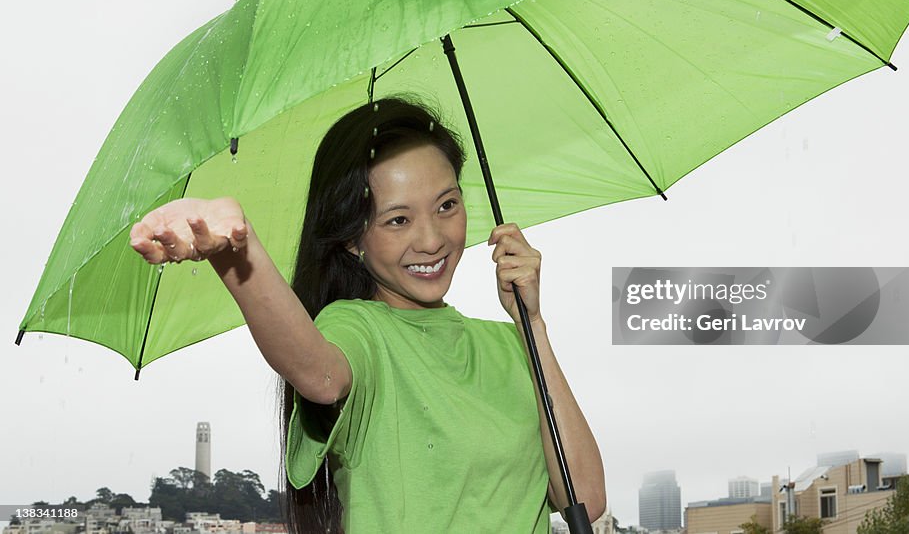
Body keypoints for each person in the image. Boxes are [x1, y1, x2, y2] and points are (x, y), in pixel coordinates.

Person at [128, 97, 605, 533]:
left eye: (447, 205)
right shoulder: (359, 328)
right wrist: (237, 252)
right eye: (398, 220)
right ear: (354, 239)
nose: (432, 239)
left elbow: (583, 497)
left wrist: (531, 326)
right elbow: (319, 375)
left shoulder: (509, 346)